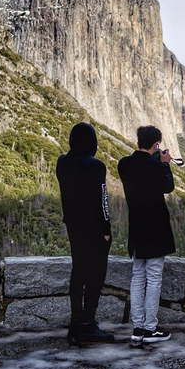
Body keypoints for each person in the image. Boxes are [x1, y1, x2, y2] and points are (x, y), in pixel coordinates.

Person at [55, 122, 114, 345]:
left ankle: (76, 322)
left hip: (74, 226)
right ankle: (87, 324)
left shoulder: (62, 163)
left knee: (78, 272)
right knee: (96, 275)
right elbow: (102, 201)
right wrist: (106, 230)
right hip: (94, 229)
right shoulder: (96, 166)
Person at [118, 125, 175, 343]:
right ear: (156, 144)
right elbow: (168, 187)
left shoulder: (124, 164)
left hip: (136, 227)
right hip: (156, 228)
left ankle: (138, 328)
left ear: (138, 141)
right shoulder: (157, 166)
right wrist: (165, 163)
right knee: (153, 277)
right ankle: (151, 328)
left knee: (138, 276)